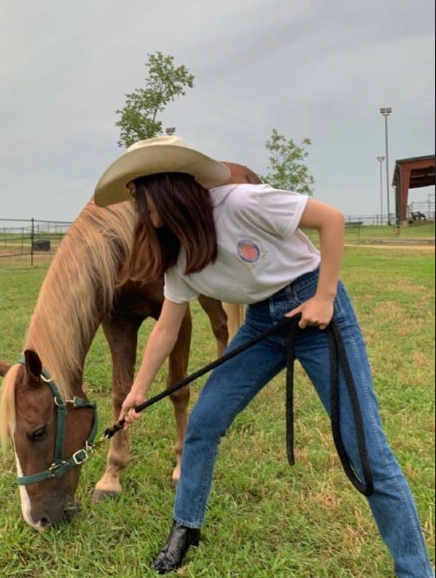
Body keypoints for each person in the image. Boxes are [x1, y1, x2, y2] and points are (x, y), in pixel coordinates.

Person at [93, 135, 434, 577]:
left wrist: (325, 298)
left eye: (140, 193)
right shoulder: (175, 250)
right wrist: (136, 392)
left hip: (318, 313)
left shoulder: (240, 203)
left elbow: (331, 220)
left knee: (366, 451)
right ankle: (186, 528)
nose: (137, 205)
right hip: (263, 325)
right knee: (203, 425)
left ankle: (415, 571)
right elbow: (166, 326)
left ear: (166, 186)